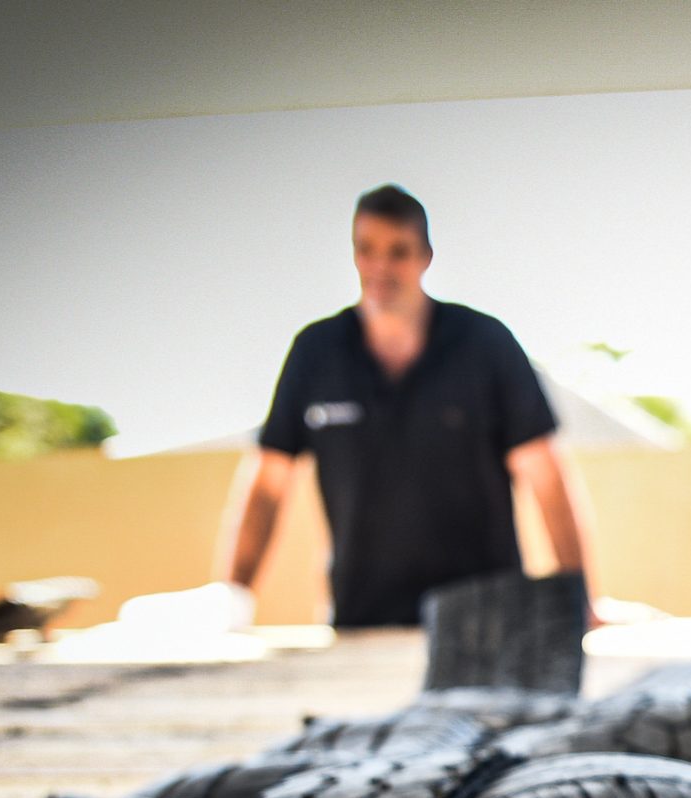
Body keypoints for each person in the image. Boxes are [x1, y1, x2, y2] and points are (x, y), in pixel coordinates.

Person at [154, 184, 595, 633]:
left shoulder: (485, 344)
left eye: (398, 251)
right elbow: (268, 485)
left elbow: (546, 479)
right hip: (361, 623)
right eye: (367, 250)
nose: (381, 266)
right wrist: (233, 598)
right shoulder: (316, 352)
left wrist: (578, 602)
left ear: (425, 256)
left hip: (484, 624)